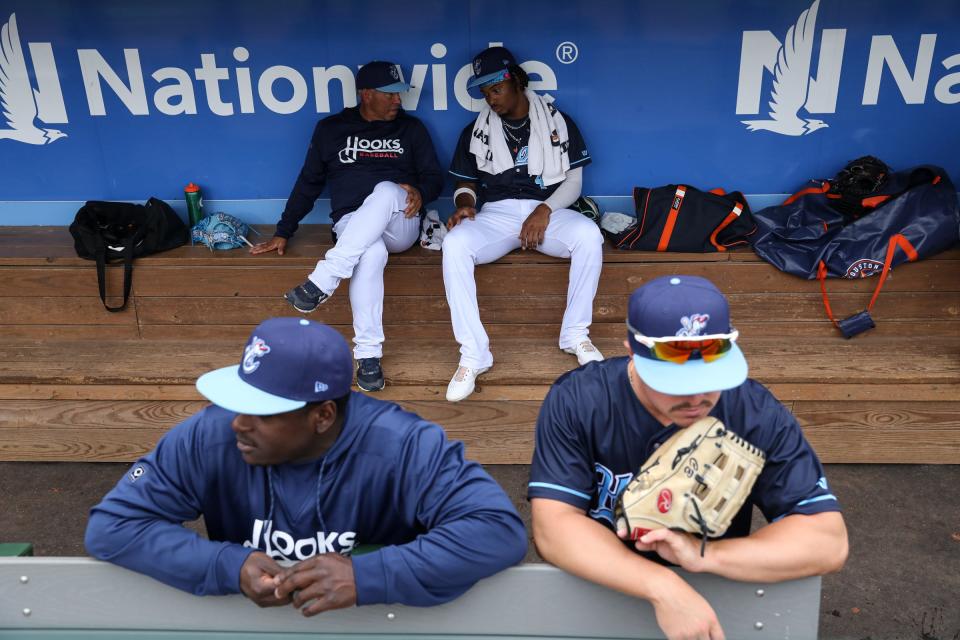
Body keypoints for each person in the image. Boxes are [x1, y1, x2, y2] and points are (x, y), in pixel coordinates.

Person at [85, 317, 527, 615]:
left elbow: (497, 531)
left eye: (263, 410)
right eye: (240, 400)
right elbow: (113, 527)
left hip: (382, 625)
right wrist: (226, 566)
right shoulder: (211, 432)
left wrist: (368, 576)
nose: (238, 422)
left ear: (323, 416)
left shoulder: (403, 444)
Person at [528, 275, 848, 640]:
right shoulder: (580, 399)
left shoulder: (754, 411)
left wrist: (704, 556)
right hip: (596, 585)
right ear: (632, 352)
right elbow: (553, 529)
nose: (697, 397)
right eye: (675, 381)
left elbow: (827, 540)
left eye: (710, 377)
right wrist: (661, 586)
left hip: (709, 592)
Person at [250, 60, 444, 393]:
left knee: (385, 190)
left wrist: (420, 191)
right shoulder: (331, 129)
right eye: (390, 95)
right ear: (366, 94)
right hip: (353, 224)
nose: (398, 101)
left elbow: (434, 178)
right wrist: (284, 230)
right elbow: (308, 182)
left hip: (401, 220)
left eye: (400, 94)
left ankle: (324, 279)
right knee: (370, 253)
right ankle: (369, 357)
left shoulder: (411, 129)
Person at [442, 46, 604, 402]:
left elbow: (574, 185)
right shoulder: (475, 130)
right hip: (495, 214)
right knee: (454, 244)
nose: (490, 98)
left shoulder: (559, 122)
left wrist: (543, 210)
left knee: (589, 235)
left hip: (549, 208)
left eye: (496, 89)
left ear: (515, 80)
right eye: (484, 92)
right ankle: (474, 355)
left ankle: (575, 335)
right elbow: (464, 184)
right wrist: (465, 206)